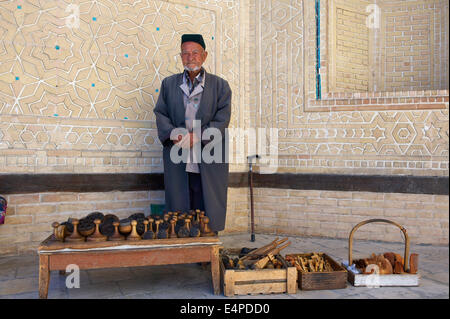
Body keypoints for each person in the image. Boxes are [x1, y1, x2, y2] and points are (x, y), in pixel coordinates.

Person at [154, 34, 232, 233]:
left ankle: (206, 252)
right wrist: (174, 134)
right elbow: (161, 113)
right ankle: (182, 248)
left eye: (195, 53)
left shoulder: (220, 86)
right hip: (178, 154)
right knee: (180, 203)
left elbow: (222, 119)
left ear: (204, 56)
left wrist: (198, 136)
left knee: (207, 205)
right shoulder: (168, 84)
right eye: (186, 53)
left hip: (209, 156)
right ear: (181, 57)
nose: (191, 57)